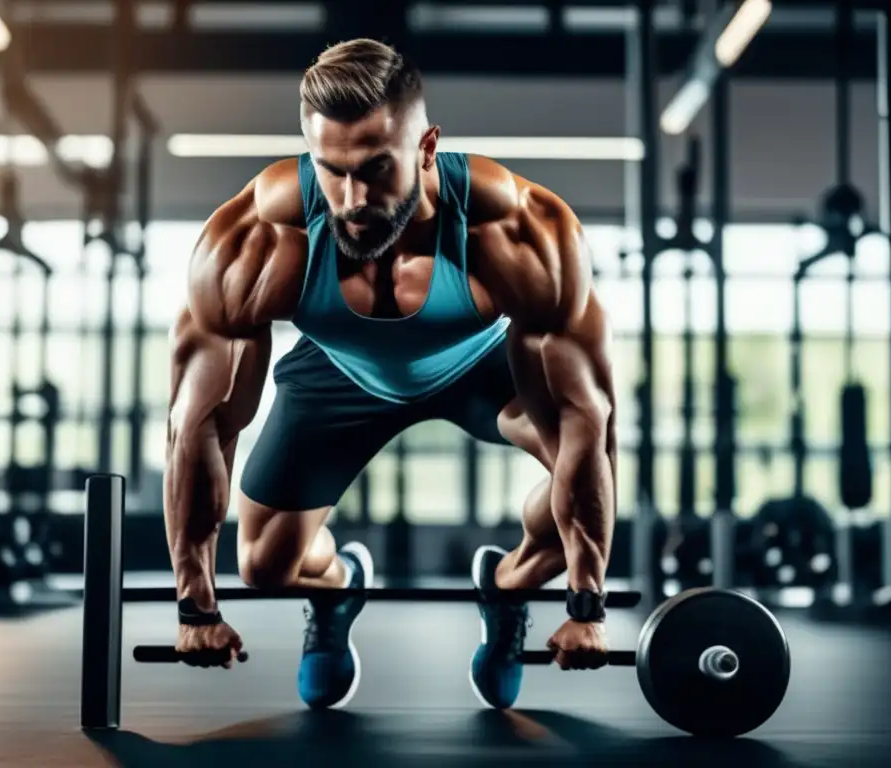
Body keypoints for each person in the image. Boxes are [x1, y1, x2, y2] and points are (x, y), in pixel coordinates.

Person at [165, 38, 617, 711]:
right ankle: (339, 586)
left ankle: (508, 586)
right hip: (339, 370)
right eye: (331, 170)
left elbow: (588, 421)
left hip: (474, 363)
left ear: (427, 147)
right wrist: (195, 604)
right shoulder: (257, 240)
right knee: (263, 567)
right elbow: (200, 424)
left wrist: (586, 601)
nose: (351, 199)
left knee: (580, 471)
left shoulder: (518, 230)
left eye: (376, 169)